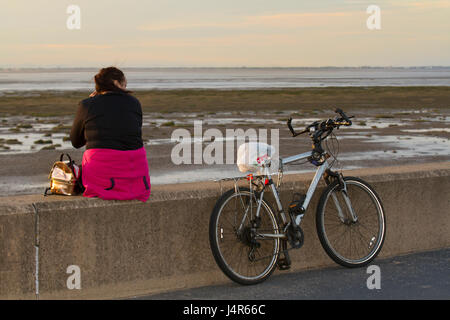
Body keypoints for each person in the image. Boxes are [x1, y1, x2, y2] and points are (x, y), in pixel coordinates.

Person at [70, 66, 151, 202]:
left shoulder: (87, 105)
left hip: (103, 177)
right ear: (116, 82)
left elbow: (76, 142)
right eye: (124, 83)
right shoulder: (135, 103)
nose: (125, 87)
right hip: (137, 178)